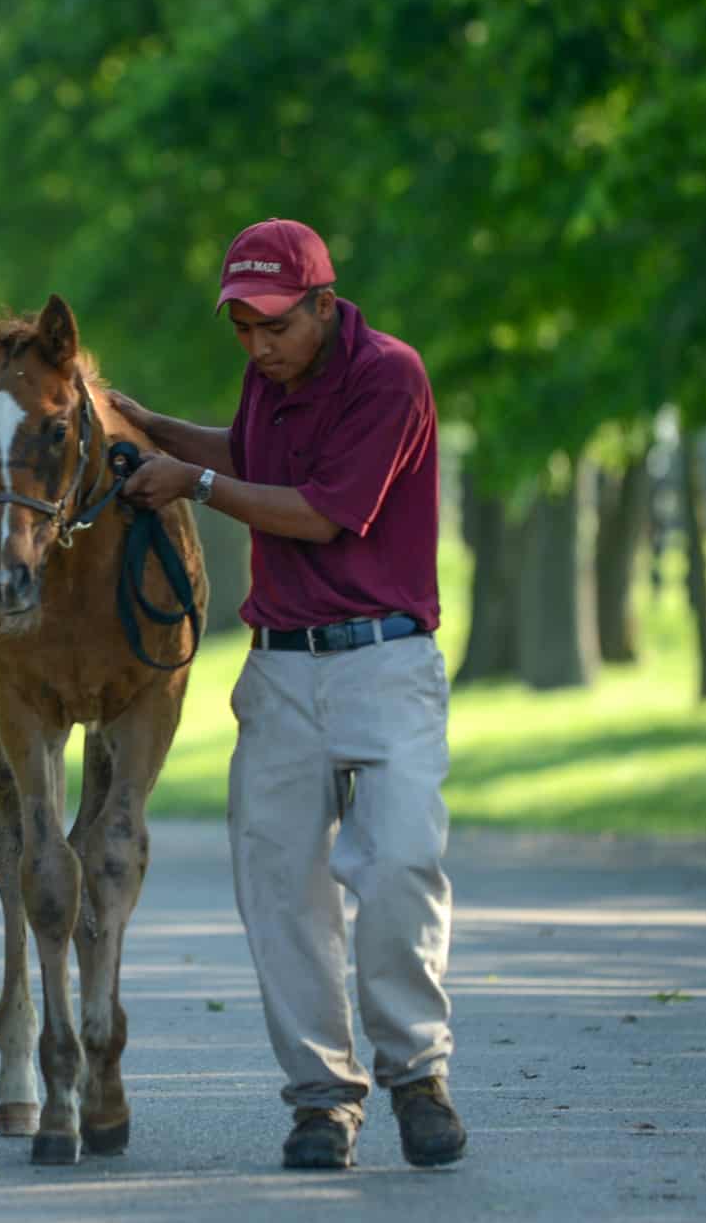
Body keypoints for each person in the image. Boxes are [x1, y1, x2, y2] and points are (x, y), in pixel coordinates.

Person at [111, 216, 465, 1171]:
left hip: (384, 662)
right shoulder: (270, 382)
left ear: (322, 302)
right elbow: (247, 453)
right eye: (242, 327)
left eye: (274, 323)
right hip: (280, 666)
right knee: (280, 887)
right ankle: (322, 1100)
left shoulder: (389, 374)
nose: (258, 344)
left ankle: (417, 1073)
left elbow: (317, 510)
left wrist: (193, 484)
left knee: (396, 865)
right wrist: (141, 423)